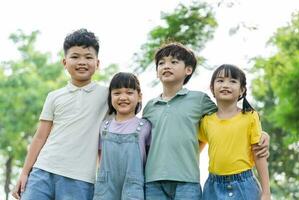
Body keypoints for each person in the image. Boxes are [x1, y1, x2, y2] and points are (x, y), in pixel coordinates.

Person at [142, 42, 270, 200]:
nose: (167, 66)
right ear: (156, 71)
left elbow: (227, 117)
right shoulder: (149, 107)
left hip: (189, 180)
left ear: (188, 70)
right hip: (154, 180)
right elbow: (144, 142)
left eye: (174, 62)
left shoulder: (199, 100)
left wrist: (262, 133)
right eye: (161, 63)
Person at [12, 28, 108, 200]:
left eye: (88, 57)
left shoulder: (107, 96)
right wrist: (25, 173)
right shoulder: (54, 96)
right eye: (75, 56)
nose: (82, 62)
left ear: (97, 63)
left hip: (80, 179)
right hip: (42, 172)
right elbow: (40, 137)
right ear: (64, 62)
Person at [199, 64, 271, 200]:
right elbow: (198, 144)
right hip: (213, 186)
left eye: (233, 81)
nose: (226, 85)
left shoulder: (250, 117)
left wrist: (266, 192)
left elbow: (259, 154)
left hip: (244, 184)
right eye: (220, 80)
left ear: (242, 90)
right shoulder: (206, 121)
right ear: (212, 88)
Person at [93, 72, 151, 200]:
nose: (123, 97)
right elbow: (101, 157)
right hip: (105, 187)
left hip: (133, 187)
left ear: (139, 96)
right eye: (117, 93)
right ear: (110, 96)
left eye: (129, 93)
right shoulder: (104, 126)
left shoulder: (145, 126)